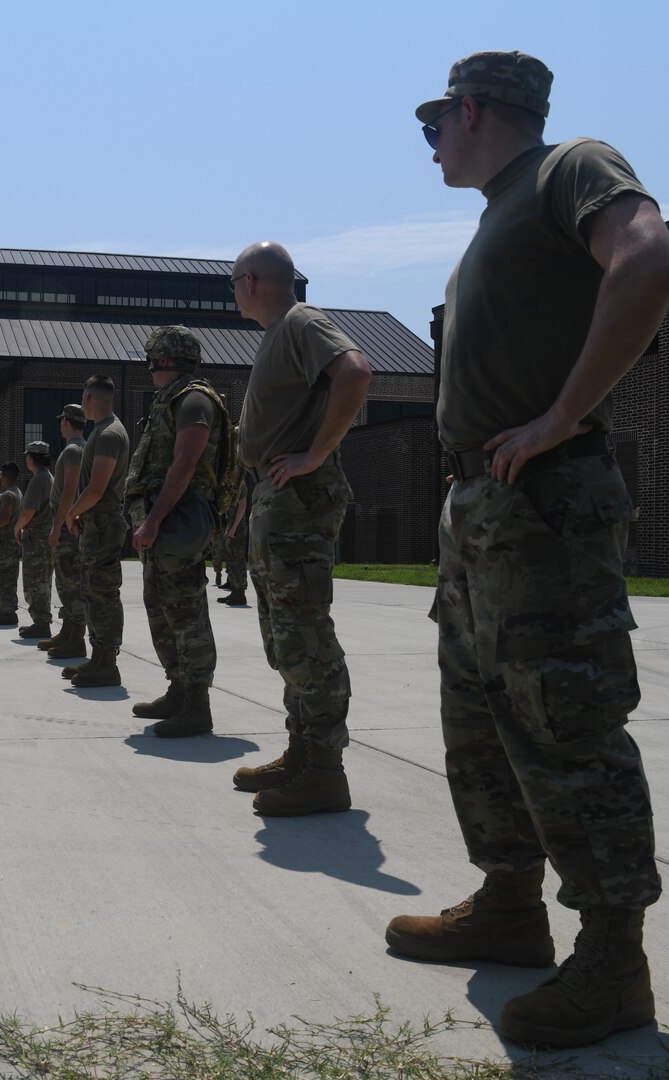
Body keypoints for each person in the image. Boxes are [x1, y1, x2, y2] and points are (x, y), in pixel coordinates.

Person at [385, 51, 669, 1050]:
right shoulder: (498, 213)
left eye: (435, 128)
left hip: (543, 504)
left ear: (471, 112)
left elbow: (650, 263)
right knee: (478, 718)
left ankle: (612, 962)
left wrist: (560, 417)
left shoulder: (571, 170)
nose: (431, 146)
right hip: (483, 509)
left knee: (569, 723)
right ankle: (510, 905)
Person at [226, 241, 371, 813]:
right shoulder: (277, 334)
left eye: (234, 280)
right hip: (274, 498)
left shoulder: (301, 321)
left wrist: (313, 456)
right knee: (285, 636)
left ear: (253, 280)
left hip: (298, 500)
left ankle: (324, 771)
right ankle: (301, 752)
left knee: (305, 635)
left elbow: (355, 372)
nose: (233, 291)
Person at [123, 326, 231, 737]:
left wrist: (153, 521)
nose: (149, 368)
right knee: (161, 609)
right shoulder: (172, 399)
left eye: (153, 360)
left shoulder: (194, 399)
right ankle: (178, 690)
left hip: (179, 524)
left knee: (186, 615)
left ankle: (197, 705)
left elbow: (185, 463)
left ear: (167, 360)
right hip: (164, 525)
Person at [62, 375, 130, 687]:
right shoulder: (104, 431)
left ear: (89, 398)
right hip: (97, 522)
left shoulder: (108, 434)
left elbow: (97, 487)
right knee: (94, 591)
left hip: (103, 522)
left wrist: (72, 511)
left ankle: (107, 663)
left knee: (102, 592)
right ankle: (99, 657)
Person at [41, 404, 89, 656]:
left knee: (70, 582)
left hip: (69, 526)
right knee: (68, 581)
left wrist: (57, 526)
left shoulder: (72, 450)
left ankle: (75, 639)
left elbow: (69, 492)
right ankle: (69, 633)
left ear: (66, 423)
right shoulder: (84, 447)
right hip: (76, 523)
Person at [15, 441, 56, 640]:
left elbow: (29, 511)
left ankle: (41, 623)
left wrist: (17, 527)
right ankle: (41, 621)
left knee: (35, 581)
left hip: (37, 536)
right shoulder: (48, 477)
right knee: (43, 580)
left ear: (31, 458)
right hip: (44, 534)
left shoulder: (38, 479)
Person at [217, 426, 251, 607]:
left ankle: (239, 593)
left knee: (237, 560)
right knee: (231, 559)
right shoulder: (231, 484)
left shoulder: (241, 485)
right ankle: (233, 590)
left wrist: (234, 528)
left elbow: (243, 506)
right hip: (231, 526)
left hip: (237, 528)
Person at [0, 462, 22, 625]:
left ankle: (8, 612)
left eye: (1, 475)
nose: (0, 478)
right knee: (8, 576)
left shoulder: (8, 495)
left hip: (5, 542)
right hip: (9, 542)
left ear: (6, 477)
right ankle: (6, 607)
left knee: (3, 577)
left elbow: (4, 520)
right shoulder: (17, 492)